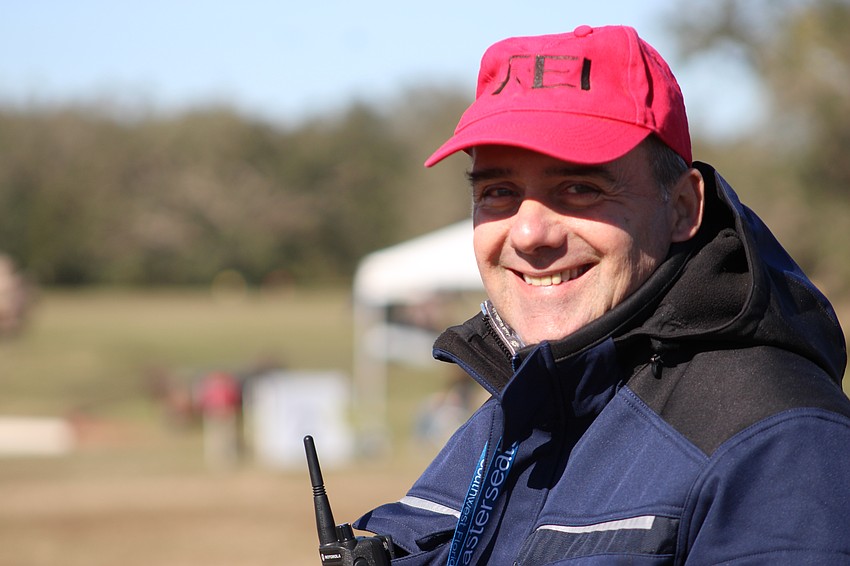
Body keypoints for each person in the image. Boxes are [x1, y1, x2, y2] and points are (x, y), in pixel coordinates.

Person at [352, 24, 850, 564]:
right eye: (498, 192)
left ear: (682, 207)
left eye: (580, 188)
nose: (528, 234)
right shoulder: (511, 416)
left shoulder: (776, 443)